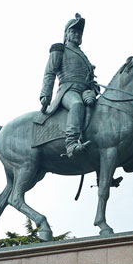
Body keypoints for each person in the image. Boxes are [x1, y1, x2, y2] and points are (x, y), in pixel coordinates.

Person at [40, 13, 101, 158]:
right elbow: (50, 73)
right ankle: (71, 144)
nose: (77, 34)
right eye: (73, 31)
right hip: (68, 90)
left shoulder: (84, 57)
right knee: (77, 104)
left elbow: (92, 81)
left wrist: (93, 91)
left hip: (84, 91)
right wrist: (45, 95)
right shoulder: (59, 49)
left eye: (79, 32)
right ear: (66, 34)